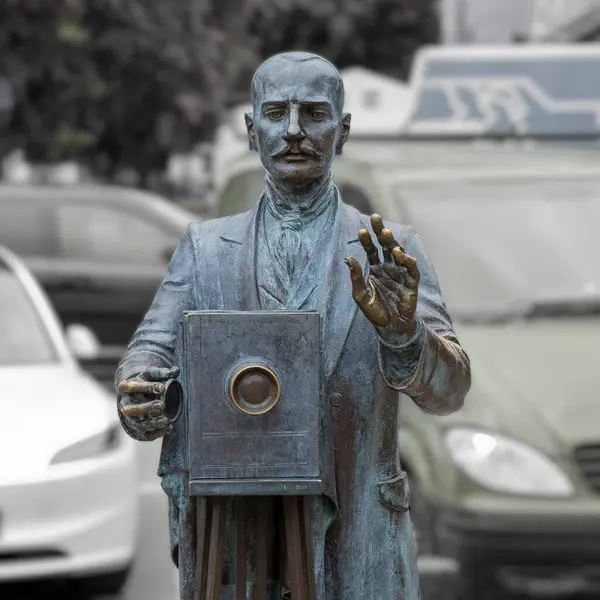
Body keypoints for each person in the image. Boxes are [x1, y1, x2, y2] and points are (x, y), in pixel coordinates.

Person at [116, 51, 471, 600]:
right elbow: (147, 358)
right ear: (251, 131)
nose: (295, 131)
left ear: (344, 130)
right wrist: (145, 396)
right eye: (277, 113)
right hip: (238, 538)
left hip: (359, 535)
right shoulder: (206, 249)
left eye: (315, 113)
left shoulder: (388, 251)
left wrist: (405, 338)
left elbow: (450, 393)